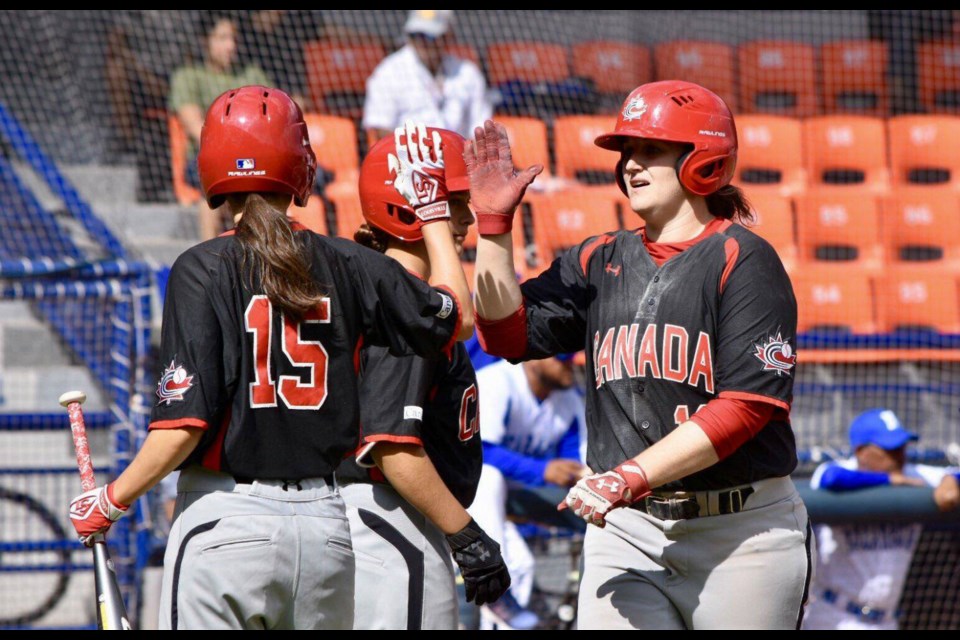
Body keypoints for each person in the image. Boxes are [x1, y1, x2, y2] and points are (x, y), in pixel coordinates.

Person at [66, 87, 475, 630]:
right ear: (300, 165)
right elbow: (456, 316)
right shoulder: (350, 261)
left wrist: (110, 500)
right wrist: (433, 217)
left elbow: (183, 427)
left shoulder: (200, 268)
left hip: (224, 523)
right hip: (328, 534)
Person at [467, 80, 813, 630]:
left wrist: (628, 475)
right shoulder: (598, 257)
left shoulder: (744, 259)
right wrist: (492, 230)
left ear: (703, 161)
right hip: (625, 531)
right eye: (627, 151)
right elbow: (504, 336)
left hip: (740, 534)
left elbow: (747, 405)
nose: (630, 163)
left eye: (652, 149)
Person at [336, 125, 510, 630]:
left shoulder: (383, 285)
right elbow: (392, 446)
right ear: (407, 206)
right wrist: (467, 536)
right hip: (387, 519)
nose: (461, 219)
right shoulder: (403, 298)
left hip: (383, 518)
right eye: (448, 201)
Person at [804, 408, 960, 630]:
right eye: (889, 448)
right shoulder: (839, 471)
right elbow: (830, 478)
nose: (899, 454)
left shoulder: (912, 473)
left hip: (886, 620)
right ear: (861, 451)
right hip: (835, 615)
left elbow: (955, 472)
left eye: (901, 446)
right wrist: (889, 480)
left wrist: (951, 480)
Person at [468, 355, 588, 629]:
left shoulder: (566, 398)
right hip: (466, 492)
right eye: (563, 359)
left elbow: (573, 459)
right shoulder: (497, 380)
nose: (571, 365)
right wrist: (541, 470)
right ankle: (489, 578)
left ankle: (498, 598)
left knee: (520, 566)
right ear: (534, 358)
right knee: (489, 477)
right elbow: (476, 452)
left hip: (511, 498)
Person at [168, 12, 270, 241]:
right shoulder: (187, 76)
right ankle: (210, 252)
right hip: (206, 161)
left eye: (233, 38)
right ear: (205, 41)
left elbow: (272, 117)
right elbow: (196, 127)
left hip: (254, 158)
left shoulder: (251, 73)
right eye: (222, 38)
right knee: (218, 188)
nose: (230, 46)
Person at [362, 10, 493, 141]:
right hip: (406, 157)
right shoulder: (389, 72)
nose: (422, 42)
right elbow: (381, 129)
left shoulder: (467, 73)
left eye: (429, 36)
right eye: (415, 35)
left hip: (460, 156)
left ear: (447, 36)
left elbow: (481, 129)